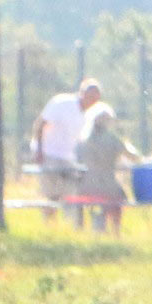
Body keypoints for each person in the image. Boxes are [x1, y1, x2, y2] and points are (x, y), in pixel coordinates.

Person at [30, 79, 101, 219]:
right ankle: (49, 226)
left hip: (67, 157)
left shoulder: (88, 115)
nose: (92, 101)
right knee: (51, 194)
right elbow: (40, 124)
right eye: (90, 96)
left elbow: (81, 141)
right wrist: (39, 151)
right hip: (47, 153)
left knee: (71, 193)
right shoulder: (62, 103)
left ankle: (70, 228)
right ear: (82, 93)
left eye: (95, 98)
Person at [77, 104, 139, 235]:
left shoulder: (83, 141)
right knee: (119, 198)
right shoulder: (113, 140)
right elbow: (133, 157)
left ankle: (90, 230)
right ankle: (116, 232)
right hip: (109, 185)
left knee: (89, 202)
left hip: (87, 186)